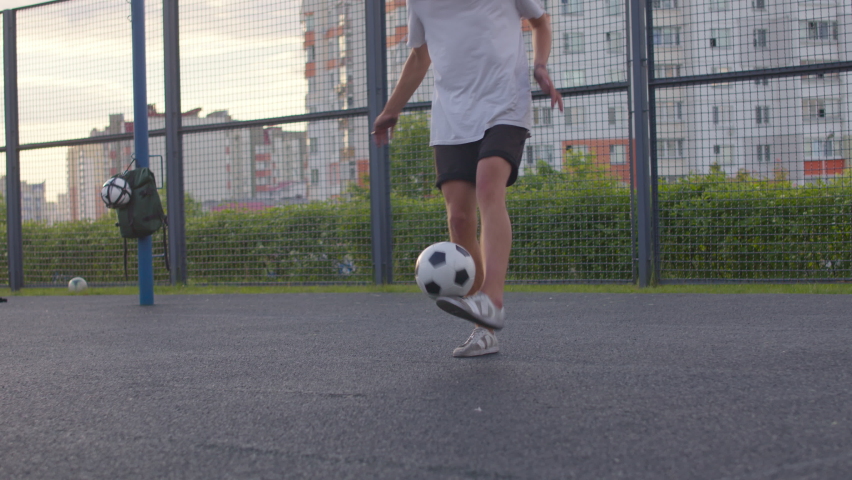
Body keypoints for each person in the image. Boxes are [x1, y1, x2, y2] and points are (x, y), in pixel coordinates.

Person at [372, 0, 563, 357]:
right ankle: (484, 329)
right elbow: (420, 56)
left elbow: (540, 22)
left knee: (490, 186)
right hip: (453, 113)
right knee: (459, 219)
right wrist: (391, 109)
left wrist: (540, 65)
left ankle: (491, 300)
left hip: (505, 101)